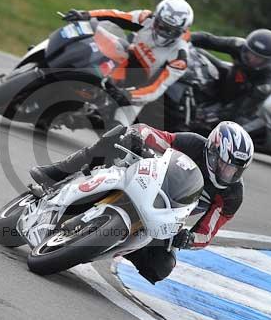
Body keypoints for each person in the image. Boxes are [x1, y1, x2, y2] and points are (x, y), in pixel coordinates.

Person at [30, 121, 253, 283]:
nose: (228, 173)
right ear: (212, 150)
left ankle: (109, 245)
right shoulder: (192, 143)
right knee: (119, 134)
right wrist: (138, 135)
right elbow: (155, 135)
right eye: (225, 164)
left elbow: (208, 231)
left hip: (167, 214)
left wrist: (189, 239)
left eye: (235, 169)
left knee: (160, 267)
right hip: (146, 181)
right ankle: (59, 171)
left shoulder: (232, 195)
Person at [60, 0, 193, 125]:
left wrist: (128, 95)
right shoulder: (146, 18)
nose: (162, 33)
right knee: (91, 43)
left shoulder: (179, 57)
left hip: (140, 88)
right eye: (160, 25)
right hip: (124, 61)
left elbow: (157, 88)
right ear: (156, 17)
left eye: (171, 30)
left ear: (182, 31)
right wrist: (86, 15)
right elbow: (116, 16)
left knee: (117, 131)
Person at [189, 28, 271, 124]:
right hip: (234, 76)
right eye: (251, 53)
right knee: (199, 53)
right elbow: (209, 40)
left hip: (249, 98)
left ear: (267, 61)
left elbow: (243, 106)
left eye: (259, 58)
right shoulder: (238, 45)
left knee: (237, 120)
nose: (253, 59)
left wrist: (218, 115)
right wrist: (185, 37)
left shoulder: (268, 79)